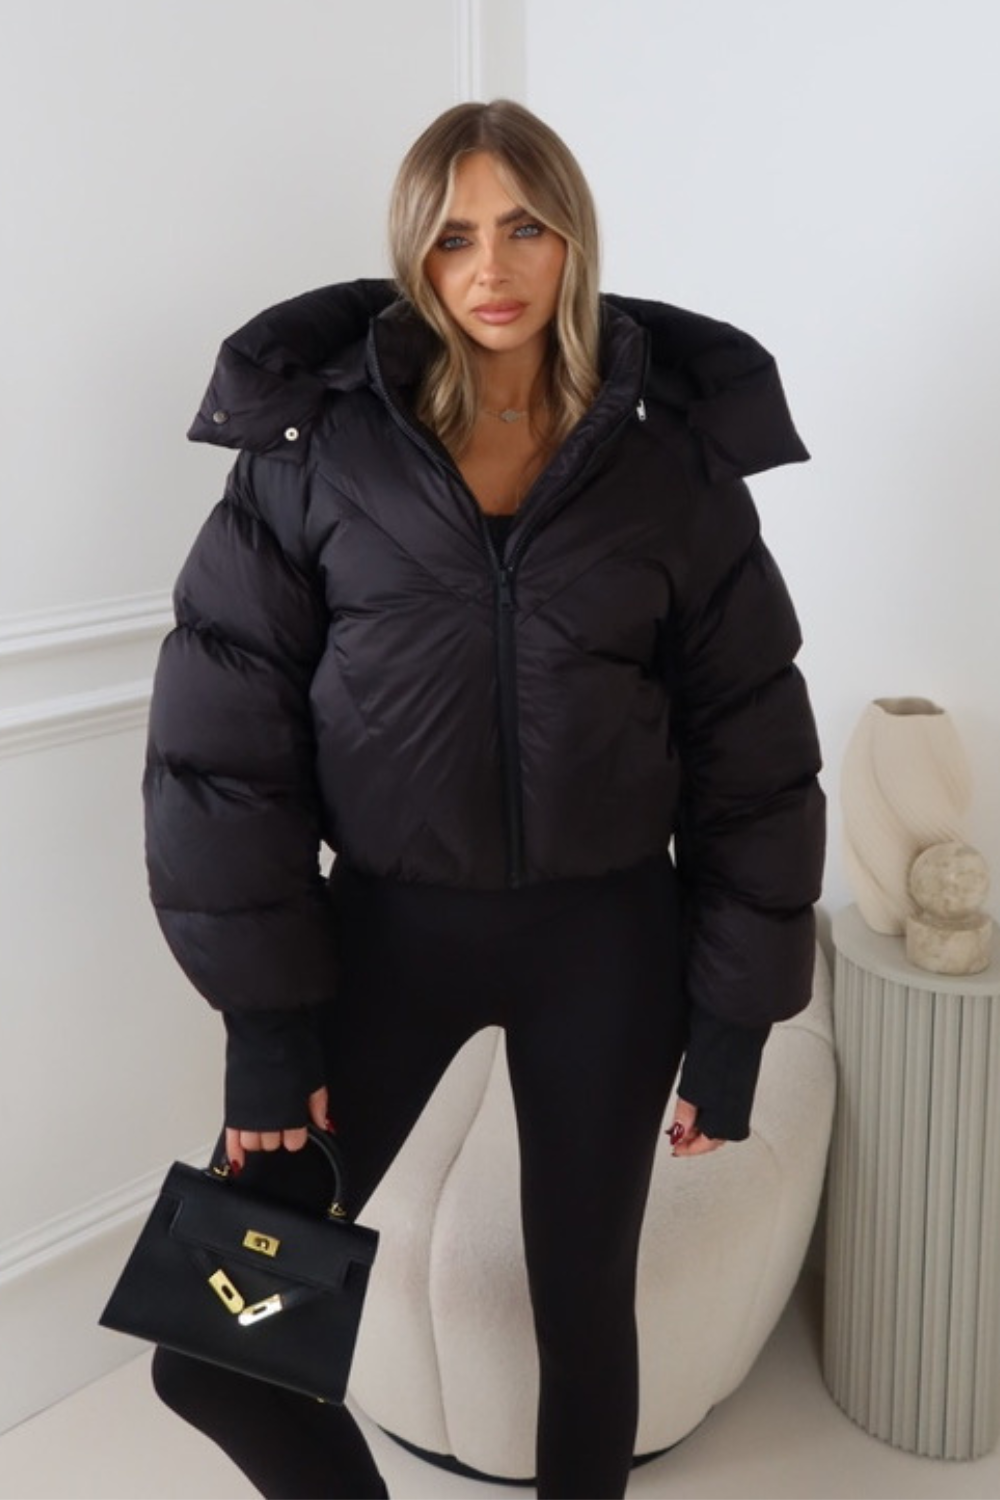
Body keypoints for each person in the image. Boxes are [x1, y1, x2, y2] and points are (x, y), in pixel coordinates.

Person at [145, 99, 824, 1500]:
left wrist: (732, 1026)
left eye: (525, 226)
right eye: (454, 236)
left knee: (582, 1313)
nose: (492, 267)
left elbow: (754, 754)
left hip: (609, 943)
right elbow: (223, 750)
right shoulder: (318, 449)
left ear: (573, 239)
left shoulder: (670, 464)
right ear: (416, 253)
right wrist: (265, 1030)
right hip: (383, 938)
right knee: (215, 1345)